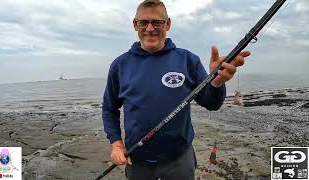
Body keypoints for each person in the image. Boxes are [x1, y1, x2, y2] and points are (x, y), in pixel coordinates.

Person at [102, 0, 251, 179]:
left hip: (179, 159)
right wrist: (116, 144)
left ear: (168, 24)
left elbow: (211, 103)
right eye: (143, 22)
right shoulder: (120, 65)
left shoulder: (188, 60)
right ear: (135, 25)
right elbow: (109, 109)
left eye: (157, 22)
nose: (150, 29)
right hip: (137, 161)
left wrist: (217, 81)